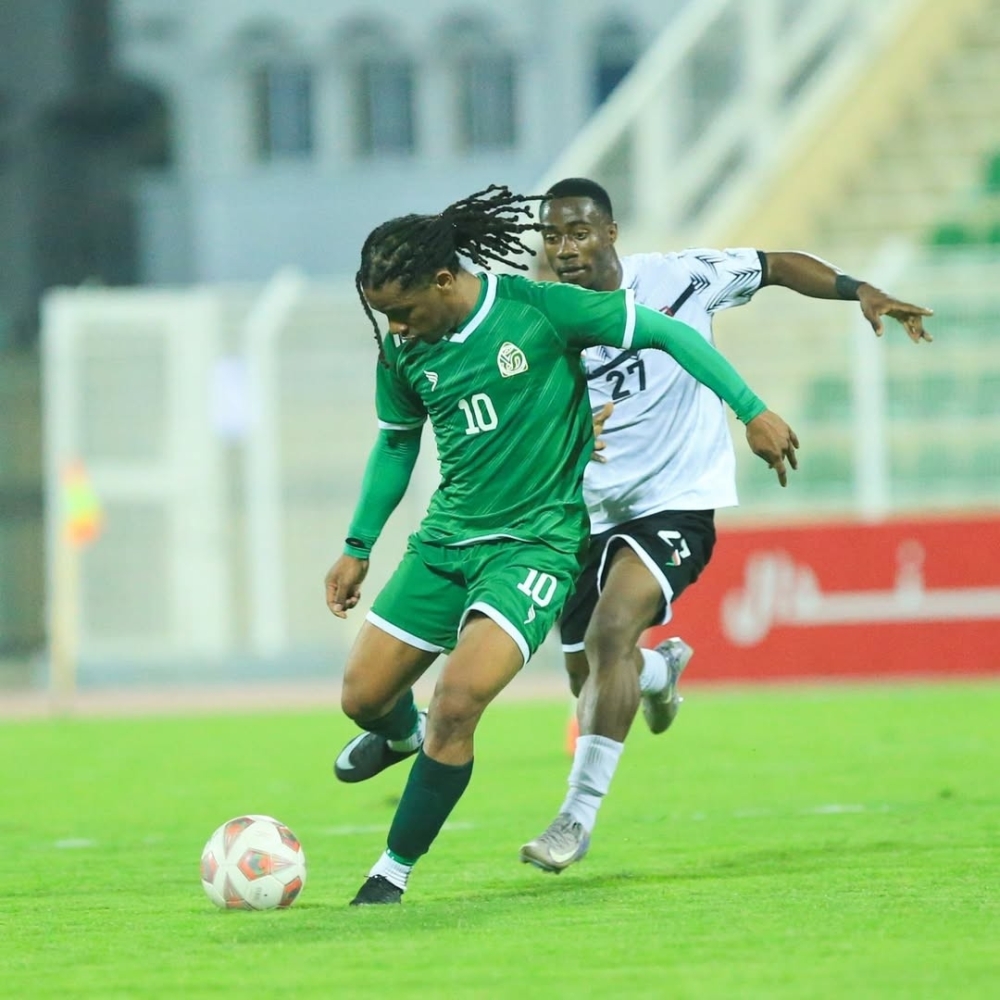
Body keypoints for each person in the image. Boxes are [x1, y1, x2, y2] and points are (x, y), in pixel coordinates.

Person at [324, 184, 798, 905]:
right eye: (381, 312)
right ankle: (396, 737)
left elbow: (669, 334)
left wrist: (751, 410)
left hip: (536, 548)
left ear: (444, 281)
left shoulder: (540, 310)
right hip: (446, 542)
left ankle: (391, 872)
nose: (393, 327)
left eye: (402, 310)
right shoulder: (405, 350)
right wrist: (359, 545)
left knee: (457, 704)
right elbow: (396, 445)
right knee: (362, 697)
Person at [519, 177, 934, 873]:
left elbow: (774, 265)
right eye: (552, 237)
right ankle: (659, 672)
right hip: (580, 510)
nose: (564, 249)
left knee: (610, 633)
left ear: (611, 234)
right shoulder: (537, 320)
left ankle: (574, 819)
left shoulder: (680, 279)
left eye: (579, 233)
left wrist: (857, 288)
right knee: (589, 673)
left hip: (675, 498)